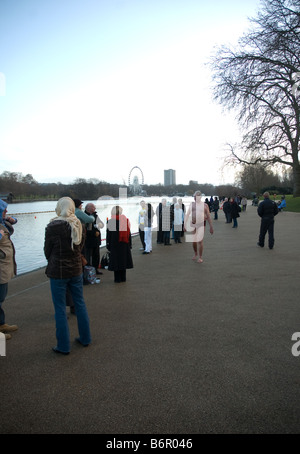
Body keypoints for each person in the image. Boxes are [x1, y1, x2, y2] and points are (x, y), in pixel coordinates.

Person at [44, 197, 91, 354]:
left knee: (59, 308)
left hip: (58, 272)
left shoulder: (52, 226)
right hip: (76, 270)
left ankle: (63, 346)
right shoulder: (79, 224)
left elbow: (47, 250)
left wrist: (54, 259)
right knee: (80, 303)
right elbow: (80, 247)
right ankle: (85, 338)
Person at [0, 199, 18, 340]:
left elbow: (14, 221)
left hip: (4, 267)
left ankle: (1, 324)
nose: (7, 212)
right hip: (0, 268)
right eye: (4, 210)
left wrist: (8, 218)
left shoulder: (3, 221)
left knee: (1, 297)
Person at [184, 191, 214, 263]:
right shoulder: (192, 205)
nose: (194, 198)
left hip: (201, 224)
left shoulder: (205, 205)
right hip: (193, 223)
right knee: (194, 241)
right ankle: (195, 253)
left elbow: (209, 217)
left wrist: (211, 227)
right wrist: (184, 225)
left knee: (200, 241)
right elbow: (187, 215)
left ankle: (200, 257)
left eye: (195, 197)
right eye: (194, 197)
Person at [106, 206, 133, 283]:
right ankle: (123, 277)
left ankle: (117, 278)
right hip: (124, 243)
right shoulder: (125, 220)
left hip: (114, 244)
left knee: (116, 261)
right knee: (123, 260)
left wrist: (108, 244)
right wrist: (129, 243)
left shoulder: (111, 221)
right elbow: (129, 233)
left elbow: (109, 235)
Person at [84, 203, 104, 274]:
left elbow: (102, 224)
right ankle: (88, 271)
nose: (94, 209)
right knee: (88, 257)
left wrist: (100, 225)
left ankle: (96, 269)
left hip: (96, 240)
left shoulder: (95, 215)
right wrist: (93, 233)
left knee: (96, 256)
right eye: (93, 208)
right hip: (89, 240)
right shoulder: (84, 216)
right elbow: (85, 230)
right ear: (88, 208)